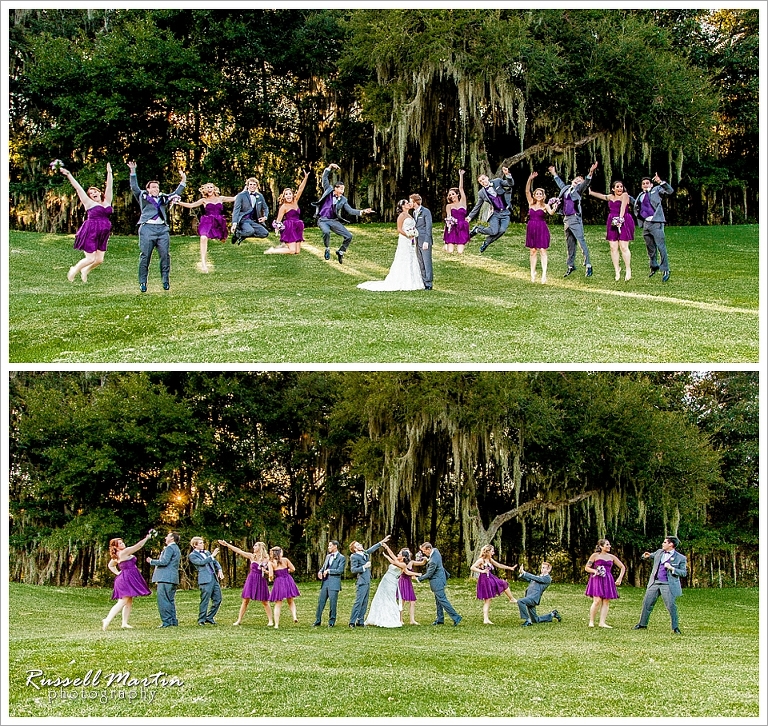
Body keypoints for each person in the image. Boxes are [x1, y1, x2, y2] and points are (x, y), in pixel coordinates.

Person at [127, 161, 187, 292]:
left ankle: (165, 281)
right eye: (153, 187)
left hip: (162, 230)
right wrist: (133, 171)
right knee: (145, 256)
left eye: (157, 187)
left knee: (165, 255)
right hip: (147, 229)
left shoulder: (164, 198)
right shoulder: (142, 196)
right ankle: (143, 282)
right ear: (148, 189)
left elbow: (176, 193)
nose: (156, 189)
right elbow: (134, 187)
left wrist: (183, 180)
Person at [60, 162, 113, 283]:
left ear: (100, 192)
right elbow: (78, 188)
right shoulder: (89, 203)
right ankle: (74, 269)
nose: (94, 194)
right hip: (91, 230)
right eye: (91, 193)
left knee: (99, 260)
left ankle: (85, 270)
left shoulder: (107, 201)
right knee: (90, 258)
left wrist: (109, 172)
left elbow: (110, 186)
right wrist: (68, 174)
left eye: (95, 192)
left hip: (104, 232)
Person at [311, 163, 374, 263]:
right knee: (326, 232)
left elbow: (350, 210)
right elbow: (324, 178)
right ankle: (327, 248)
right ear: (335, 188)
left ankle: (341, 251)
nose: (342, 190)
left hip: (333, 220)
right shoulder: (328, 190)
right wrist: (330, 167)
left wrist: (363, 211)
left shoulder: (343, 200)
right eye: (341, 188)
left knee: (349, 236)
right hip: (322, 219)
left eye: (343, 189)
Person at [357, 200, 424, 291]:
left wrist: (414, 233)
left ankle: (414, 281)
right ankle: (402, 280)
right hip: (405, 239)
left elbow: (412, 227)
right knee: (404, 257)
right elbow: (399, 229)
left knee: (412, 257)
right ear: (403, 206)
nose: (409, 204)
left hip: (411, 240)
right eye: (407, 203)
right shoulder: (401, 216)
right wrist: (407, 235)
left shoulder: (409, 215)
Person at [548, 161, 598, 277]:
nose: (577, 181)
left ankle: (588, 265)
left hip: (575, 219)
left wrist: (591, 171)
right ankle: (571, 265)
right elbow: (559, 183)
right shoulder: (565, 188)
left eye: (579, 181)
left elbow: (587, 181)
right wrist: (554, 173)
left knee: (581, 241)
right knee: (570, 243)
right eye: (576, 179)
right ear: (572, 180)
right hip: (566, 219)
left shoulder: (578, 190)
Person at [175, 183, 237, 272]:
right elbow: (191, 205)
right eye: (207, 188)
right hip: (207, 221)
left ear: (214, 189)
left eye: (211, 187)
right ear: (205, 190)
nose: (209, 189)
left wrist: (246, 189)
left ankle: (222, 237)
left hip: (218, 222)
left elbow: (235, 198)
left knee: (222, 238)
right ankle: (203, 263)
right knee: (203, 238)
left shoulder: (221, 198)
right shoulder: (203, 200)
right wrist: (178, 202)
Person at [633, 535, 687, 634]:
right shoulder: (659, 552)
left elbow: (684, 573)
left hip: (668, 584)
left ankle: (675, 627)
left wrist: (672, 568)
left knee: (671, 605)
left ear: (671, 544)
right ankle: (642, 624)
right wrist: (645, 555)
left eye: (665, 542)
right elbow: (649, 556)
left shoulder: (680, 558)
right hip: (654, 582)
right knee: (647, 603)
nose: (663, 543)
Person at [101, 531, 153, 630]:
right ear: (115, 547)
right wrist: (147, 538)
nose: (122, 543)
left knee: (129, 601)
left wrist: (117, 573)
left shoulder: (117, 554)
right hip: (126, 579)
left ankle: (124, 623)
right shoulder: (124, 552)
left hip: (128, 577)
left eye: (122, 542)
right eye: (120, 543)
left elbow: (111, 565)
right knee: (122, 601)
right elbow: (138, 546)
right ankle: (107, 619)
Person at [217, 539, 273, 626]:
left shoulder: (267, 558)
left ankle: (270, 621)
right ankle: (239, 620)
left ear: (260, 547)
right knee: (245, 600)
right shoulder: (251, 556)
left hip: (261, 579)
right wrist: (227, 544)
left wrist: (265, 571)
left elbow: (270, 570)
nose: (253, 547)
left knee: (265, 601)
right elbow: (239, 551)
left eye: (255, 545)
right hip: (251, 579)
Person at [589, 180, 635, 281]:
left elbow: (623, 207)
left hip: (624, 220)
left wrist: (620, 219)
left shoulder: (625, 195)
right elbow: (602, 196)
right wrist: (590, 192)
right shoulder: (610, 197)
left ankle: (628, 269)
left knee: (623, 246)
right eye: (617, 187)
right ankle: (617, 270)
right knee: (613, 247)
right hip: (612, 221)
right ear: (613, 189)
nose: (620, 188)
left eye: (621, 186)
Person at [365, 542, 419, 628]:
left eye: (400, 554)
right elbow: (392, 560)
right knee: (380, 597)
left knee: (390, 598)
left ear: (403, 557)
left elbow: (406, 571)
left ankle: (391, 618)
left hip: (392, 582)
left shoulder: (403, 564)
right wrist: (386, 556)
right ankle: (376, 617)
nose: (398, 554)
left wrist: (387, 547)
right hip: (385, 581)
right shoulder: (397, 562)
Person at [633, 173, 675, 282]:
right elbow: (636, 206)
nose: (645, 185)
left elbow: (670, 191)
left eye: (647, 183)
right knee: (650, 247)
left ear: (651, 184)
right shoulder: (640, 195)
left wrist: (660, 182)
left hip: (656, 222)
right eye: (643, 184)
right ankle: (654, 266)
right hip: (646, 224)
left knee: (661, 246)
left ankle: (665, 268)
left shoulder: (657, 190)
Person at [467, 166, 514, 253]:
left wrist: (507, 174)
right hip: (494, 214)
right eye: (480, 181)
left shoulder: (497, 181)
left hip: (505, 212)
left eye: (483, 179)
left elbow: (510, 184)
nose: (483, 182)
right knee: (494, 231)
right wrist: (469, 217)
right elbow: (477, 206)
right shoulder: (481, 193)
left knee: (502, 230)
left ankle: (486, 242)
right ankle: (477, 229)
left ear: (487, 178)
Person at [348, 534, 391, 627]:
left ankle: (360, 621)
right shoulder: (354, 556)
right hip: (361, 582)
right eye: (358, 545)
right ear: (355, 549)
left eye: (359, 544)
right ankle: (352, 622)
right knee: (358, 602)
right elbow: (353, 569)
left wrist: (381, 542)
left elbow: (371, 549)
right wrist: (364, 567)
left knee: (365, 602)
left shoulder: (365, 553)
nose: (360, 545)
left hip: (367, 581)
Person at [264, 170, 311, 254]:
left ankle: (285, 246)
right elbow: (278, 220)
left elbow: (300, 189)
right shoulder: (284, 207)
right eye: (286, 194)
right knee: (292, 251)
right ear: (284, 196)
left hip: (298, 226)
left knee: (297, 251)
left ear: (292, 195)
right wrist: (277, 229)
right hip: (289, 227)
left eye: (290, 193)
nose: (288, 195)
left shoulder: (295, 201)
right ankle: (272, 251)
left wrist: (306, 178)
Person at [469, 545, 518, 625]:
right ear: (487, 552)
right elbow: (472, 567)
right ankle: (486, 619)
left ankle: (486, 619)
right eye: (492, 551)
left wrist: (510, 568)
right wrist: (482, 571)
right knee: (488, 599)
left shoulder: (490, 560)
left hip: (490, 578)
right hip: (484, 580)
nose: (493, 552)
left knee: (491, 596)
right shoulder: (481, 560)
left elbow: (499, 565)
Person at [416, 542, 462, 626]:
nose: (424, 553)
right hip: (440, 579)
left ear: (429, 549)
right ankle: (440, 619)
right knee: (438, 601)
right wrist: (427, 559)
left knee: (443, 600)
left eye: (424, 551)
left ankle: (456, 617)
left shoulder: (433, 561)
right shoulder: (436, 551)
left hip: (437, 581)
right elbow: (431, 558)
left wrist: (418, 578)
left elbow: (429, 574)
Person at [584, 538, 626, 628]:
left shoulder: (612, 557)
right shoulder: (595, 555)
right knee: (597, 600)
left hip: (608, 579)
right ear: (601, 546)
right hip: (597, 578)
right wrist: (595, 571)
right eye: (607, 544)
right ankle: (591, 621)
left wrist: (619, 578)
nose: (609, 546)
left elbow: (622, 567)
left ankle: (602, 622)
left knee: (606, 600)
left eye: (609, 544)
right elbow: (587, 567)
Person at [524, 172, 557, 284]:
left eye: (540, 194)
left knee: (543, 250)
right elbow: (527, 191)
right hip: (531, 227)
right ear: (534, 195)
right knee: (533, 251)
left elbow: (551, 213)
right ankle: (532, 273)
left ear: (543, 196)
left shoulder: (545, 205)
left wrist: (555, 207)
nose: (538, 195)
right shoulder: (531, 203)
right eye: (537, 193)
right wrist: (530, 179)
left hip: (541, 228)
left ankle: (544, 275)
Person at [146, 531, 181, 628]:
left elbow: (164, 561)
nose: (165, 538)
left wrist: (151, 561)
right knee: (170, 600)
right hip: (172, 578)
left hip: (165, 578)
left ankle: (166, 622)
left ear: (172, 538)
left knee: (163, 600)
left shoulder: (170, 548)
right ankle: (173, 621)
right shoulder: (176, 548)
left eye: (167, 536)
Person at [188, 536, 224, 626]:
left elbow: (215, 562)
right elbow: (201, 563)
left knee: (218, 599)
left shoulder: (207, 552)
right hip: (205, 579)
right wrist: (212, 555)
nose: (203, 544)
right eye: (200, 543)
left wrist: (219, 569)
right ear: (195, 545)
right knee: (205, 600)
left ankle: (210, 617)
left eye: (202, 542)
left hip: (213, 578)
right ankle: (201, 619)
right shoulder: (192, 555)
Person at [516, 561, 561, 626]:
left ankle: (528, 621)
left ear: (548, 569)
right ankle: (553, 614)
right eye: (541, 567)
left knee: (521, 601)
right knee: (535, 620)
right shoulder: (539, 577)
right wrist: (522, 574)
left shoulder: (547, 578)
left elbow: (536, 578)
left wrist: (524, 572)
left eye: (544, 568)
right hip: (529, 596)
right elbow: (531, 579)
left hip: (533, 598)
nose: (542, 569)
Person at [313, 540, 346, 628]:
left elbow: (340, 570)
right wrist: (320, 571)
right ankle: (317, 620)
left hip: (334, 583)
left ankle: (331, 621)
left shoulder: (341, 558)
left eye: (330, 546)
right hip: (325, 582)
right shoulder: (328, 556)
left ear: (335, 546)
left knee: (333, 603)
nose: (328, 547)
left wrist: (329, 571)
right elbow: (324, 567)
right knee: (321, 602)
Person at [268, 546, 300, 628]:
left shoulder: (271, 563)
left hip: (279, 581)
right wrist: (286, 571)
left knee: (278, 603)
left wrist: (270, 577)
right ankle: (294, 616)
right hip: (288, 580)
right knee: (291, 600)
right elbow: (293, 569)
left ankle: (276, 624)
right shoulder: (285, 560)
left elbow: (271, 575)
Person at [231, 177, 269, 245]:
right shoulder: (241, 195)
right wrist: (234, 223)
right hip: (243, 220)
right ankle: (238, 233)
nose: (252, 186)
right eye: (250, 184)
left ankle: (242, 235)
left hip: (253, 220)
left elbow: (265, 208)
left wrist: (265, 217)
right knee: (250, 231)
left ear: (257, 186)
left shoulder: (260, 196)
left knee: (264, 233)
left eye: (254, 184)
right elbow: (236, 210)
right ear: (247, 186)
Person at [443, 169, 470, 254]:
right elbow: (448, 217)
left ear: (457, 194)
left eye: (453, 194)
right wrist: (448, 227)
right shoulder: (449, 206)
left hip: (462, 226)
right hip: (453, 227)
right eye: (450, 195)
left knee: (460, 252)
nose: (451, 196)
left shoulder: (463, 202)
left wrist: (461, 175)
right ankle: (446, 245)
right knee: (450, 251)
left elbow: (461, 188)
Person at [410, 194, 434, 290]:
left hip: (425, 241)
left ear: (415, 202)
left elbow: (429, 227)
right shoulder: (414, 213)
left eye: (411, 201)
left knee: (427, 262)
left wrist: (427, 241)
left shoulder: (425, 212)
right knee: (420, 262)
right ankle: (423, 281)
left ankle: (429, 283)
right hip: (416, 240)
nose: (410, 203)